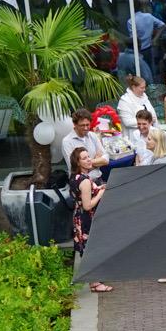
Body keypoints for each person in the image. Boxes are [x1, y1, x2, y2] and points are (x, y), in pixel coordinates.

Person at [70, 148, 111, 293]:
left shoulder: (76, 177)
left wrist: (98, 188)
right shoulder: (85, 181)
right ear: (78, 162)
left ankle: (95, 280)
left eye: (88, 156)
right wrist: (100, 193)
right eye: (84, 158)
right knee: (91, 249)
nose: (89, 160)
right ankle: (95, 283)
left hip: (79, 216)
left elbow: (81, 196)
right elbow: (87, 205)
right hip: (86, 218)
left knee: (88, 248)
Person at [59, 109, 110, 178]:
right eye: (82, 125)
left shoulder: (93, 135)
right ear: (75, 124)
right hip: (81, 182)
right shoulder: (67, 141)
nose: (86, 128)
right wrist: (97, 160)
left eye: (87, 125)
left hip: (98, 178)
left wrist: (85, 163)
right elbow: (75, 168)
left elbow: (106, 160)